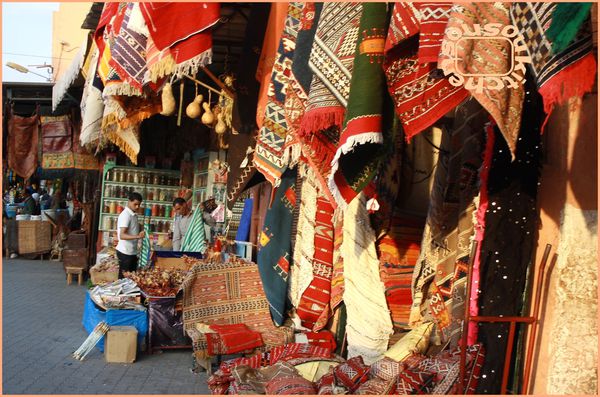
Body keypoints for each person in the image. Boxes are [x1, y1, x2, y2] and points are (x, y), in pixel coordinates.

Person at [116, 192, 145, 277]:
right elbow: (122, 235)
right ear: (129, 201)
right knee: (124, 279)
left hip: (132, 251)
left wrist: (141, 228)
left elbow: (132, 229)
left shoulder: (133, 214)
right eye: (135, 204)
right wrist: (138, 236)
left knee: (132, 278)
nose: (137, 207)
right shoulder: (126, 215)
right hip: (125, 252)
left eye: (139, 205)